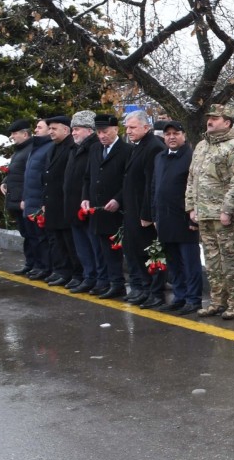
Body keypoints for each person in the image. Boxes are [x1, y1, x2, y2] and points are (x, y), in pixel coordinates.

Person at [186, 105, 234, 319]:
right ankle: (217, 301)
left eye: (215, 118)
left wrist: (228, 210)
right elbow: (192, 178)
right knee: (211, 261)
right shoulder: (202, 146)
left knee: (230, 260)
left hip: (224, 215)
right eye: (208, 118)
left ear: (227, 122)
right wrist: (191, 206)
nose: (209, 121)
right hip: (204, 213)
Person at [151, 120, 204, 314]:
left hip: (183, 219)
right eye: (167, 134)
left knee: (189, 262)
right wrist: (154, 213)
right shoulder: (160, 157)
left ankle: (193, 298)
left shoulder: (191, 157)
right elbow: (154, 187)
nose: (171, 137)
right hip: (164, 219)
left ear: (184, 135)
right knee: (173, 262)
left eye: (176, 133)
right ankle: (180, 296)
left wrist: (193, 217)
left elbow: (196, 188)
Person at [121, 110, 166, 307]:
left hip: (144, 212)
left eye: (132, 127)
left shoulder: (153, 147)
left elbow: (151, 183)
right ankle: (145, 288)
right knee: (136, 251)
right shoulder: (139, 146)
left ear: (146, 127)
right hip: (133, 210)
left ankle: (155, 292)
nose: (128, 131)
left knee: (151, 254)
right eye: (127, 128)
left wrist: (148, 214)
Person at [83, 113, 129, 298]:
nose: (101, 136)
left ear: (116, 130)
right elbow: (88, 177)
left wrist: (118, 199)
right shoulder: (95, 149)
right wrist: (85, 197)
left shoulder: (126, 150)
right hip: (98, 208)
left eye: (105, 131)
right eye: (99, 132)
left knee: (116, 249)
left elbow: (128, 180)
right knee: (102, 248)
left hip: (117, 210)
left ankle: (119, 283)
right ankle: (111, 282)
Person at [63, 111, 100, 293]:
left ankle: (95, 278)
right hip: (74, 208)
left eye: (76, 129)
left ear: (89, 129)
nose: (73, 133)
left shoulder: (94, 148)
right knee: (82, 248)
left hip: (87, 209)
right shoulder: (75, 149)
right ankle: (88, 276)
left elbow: (90, 179)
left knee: (93, 247)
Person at [40, 114, 78, 287]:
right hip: (52, 203)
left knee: (69, 242)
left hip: (65, 203)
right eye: (50, 128)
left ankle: (75, 273)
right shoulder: (52, 148)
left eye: (54, 129)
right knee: (57, 241)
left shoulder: (71, 147)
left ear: (66, 129)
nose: (51, 132)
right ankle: (62, 270)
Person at [1, 119, 40, 276]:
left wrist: (26, 198)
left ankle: (38, 265)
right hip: (17, 200)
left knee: (33, 235)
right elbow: (15, 171)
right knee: (27, 235)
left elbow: (31, 176)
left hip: (25, 201)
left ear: (25, 134)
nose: (12, 137)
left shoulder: (31, 149)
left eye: (15, 133)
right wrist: (5, 181)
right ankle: (30, 264)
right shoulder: (20, 150)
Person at [20, 118, 53, 280]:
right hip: (30, 199)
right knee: (33, 236)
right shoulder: (36, 147)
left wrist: (43, 202)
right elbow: (29, 176)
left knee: (42, 238)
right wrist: (24, 197)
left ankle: (46, 267)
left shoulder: (49, 147)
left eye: (40, 127)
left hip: (40, 201)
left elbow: (46, 177)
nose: (36, 130)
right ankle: (38, 265)